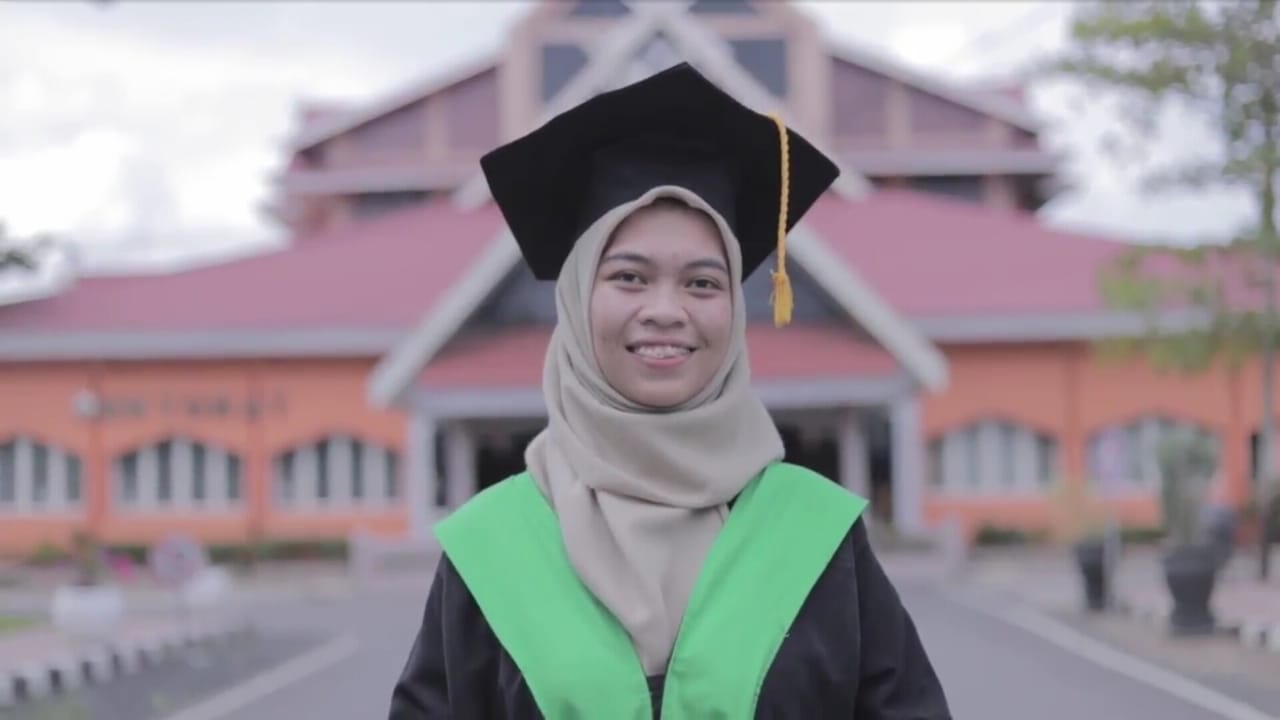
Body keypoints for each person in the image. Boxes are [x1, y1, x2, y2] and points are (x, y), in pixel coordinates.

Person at [388, 62, 951, 719]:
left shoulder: (817, 536)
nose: (666, 310)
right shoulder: (493, 549)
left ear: (736, 308)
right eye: (629, 277)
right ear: (576, 298)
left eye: (703, 283)